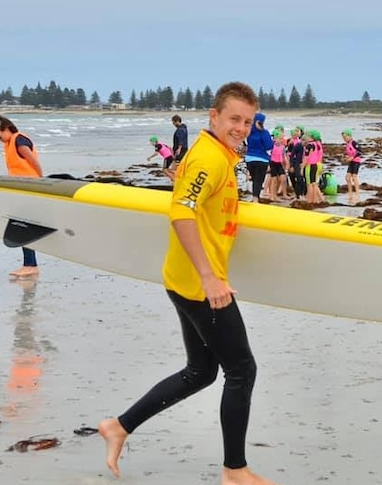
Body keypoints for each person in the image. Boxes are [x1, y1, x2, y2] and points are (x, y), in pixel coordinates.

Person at [98, 81, 277, 485]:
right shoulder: (209, 159)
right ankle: (235, 470)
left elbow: (198, 204)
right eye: (234, 118)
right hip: (202, 286)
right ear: (214, 116)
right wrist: (210, 277)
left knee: (201, 370)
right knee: (241, 370)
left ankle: (119, 427)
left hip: (182, 278)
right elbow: (181, 214)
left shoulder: (215, 154)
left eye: (247, 121)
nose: (241, 128)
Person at [0, 114, 43, 277]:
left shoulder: (19, 140)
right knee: (22, 226)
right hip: (22, 189)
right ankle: (29, 263)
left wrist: (41, 180)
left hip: (30, 188)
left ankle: (31, 264)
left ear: (5, 129)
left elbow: (33, 161)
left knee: (23, 226)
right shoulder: (11, 142)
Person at [244, 112, 273, 202]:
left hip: (249, 158)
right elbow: (269, 146)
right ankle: (255, 198)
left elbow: (247, 143)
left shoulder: (249, 132)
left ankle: (254, 197)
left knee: (254, 179)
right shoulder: (264, 132)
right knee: (259, 180)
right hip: (261, 159)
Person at [264, 128, 287, 202]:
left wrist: (286, 163)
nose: (281, 140)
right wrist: (267, 165)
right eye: (279, 138)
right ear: (274, 138)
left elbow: (284, 156)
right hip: (273, 163)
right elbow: (268, 155)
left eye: (282, 138)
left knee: (283, 178)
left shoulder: (283, 146)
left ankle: (280, 194)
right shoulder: (271, 146)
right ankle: (272, 195)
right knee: (274, 180)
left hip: (279, 163)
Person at [341, 129, 363, 202]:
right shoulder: (348, 144)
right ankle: (350, 193)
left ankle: (357, 193)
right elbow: (350, 153)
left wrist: (352, 158)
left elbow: (360, 152)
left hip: (356, 162)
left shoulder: (354, 143)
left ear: (349, 136)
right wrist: (346, 157)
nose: (344, 139)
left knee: (354, 177)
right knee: (347, 178)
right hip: (351, 162)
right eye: (343, 138)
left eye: (345, 137)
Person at [287, 126, 306, 200]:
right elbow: (291, 155)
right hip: (296, 163)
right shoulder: (297, 145)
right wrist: (291, 165)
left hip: (303, 163)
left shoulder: (307, 145)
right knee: (295, 178)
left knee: (301, 179)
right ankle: (298, 194)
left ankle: (302, 193)